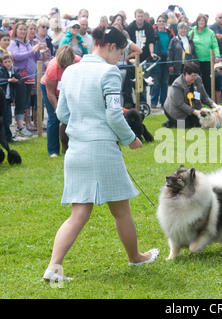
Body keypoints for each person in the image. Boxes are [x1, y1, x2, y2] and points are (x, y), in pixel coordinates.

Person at [44, 26, 159, 282]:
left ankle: (54, 267)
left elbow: (61, 114)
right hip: (102, 150)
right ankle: (136, 257)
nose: (120, 58)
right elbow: (114, 114)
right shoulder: (109, 72)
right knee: (121, 211)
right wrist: (132, 139)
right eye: (120, 52)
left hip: (76, 150)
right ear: (110, 46)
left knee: (78, 214)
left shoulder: (70, 70)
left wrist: (83, 120)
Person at [40, 45, 81, 157]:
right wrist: (58, 109)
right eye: (62, 66)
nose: (64, 68)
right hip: (51, 89)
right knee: (54, 119)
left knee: (72, 118)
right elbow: (51, 93)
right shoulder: (52, 68)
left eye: (67, 66)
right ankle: (53, 151)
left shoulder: (79, 62)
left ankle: (71, 147)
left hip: (69, 88)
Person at [8, 22, 45, 137]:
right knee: (20, 101)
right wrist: (32, 51)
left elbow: (36, 57)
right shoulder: (14, 43)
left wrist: (39, 51)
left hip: (31, 77)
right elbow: (16, 56)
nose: (23, 31)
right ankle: (20, 126)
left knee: (26, 102)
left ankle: (23, 125)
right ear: (16, 30)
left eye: (25, 29)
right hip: (21, 77)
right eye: (21, 29)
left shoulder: (29, 43)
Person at [163, 62, 219, 128]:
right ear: (186, 73)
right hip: (175, 111)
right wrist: (195, 112)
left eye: (196, 75)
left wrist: (214, 105)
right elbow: (180, 104)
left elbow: (204, 97)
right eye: (192, 76)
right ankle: (170, 122)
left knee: (199, 124)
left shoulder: (198, 80)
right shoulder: (177, 84)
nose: (195, 78)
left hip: (191, 109)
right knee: (185, 126)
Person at [0, 52, 21, 143]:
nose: (8, 63)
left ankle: (8, 137)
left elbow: (20, 83)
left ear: (12, 61)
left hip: (8, 99)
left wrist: (15, 81)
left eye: (9, 61)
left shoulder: (15, 71)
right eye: (5, 62)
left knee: (8, 119)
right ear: (2, 63)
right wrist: (7, 80)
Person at [126, 9, 156, 103]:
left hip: (145, 58)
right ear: (135, 17)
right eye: (138, 16)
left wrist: (151, 53)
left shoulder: (148, 27)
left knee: (143, 81)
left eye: (141, 16)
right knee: (134, 81)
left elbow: (151, 42)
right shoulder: (131, 27)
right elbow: (129, 43)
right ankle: (134, 102)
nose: (140, 18)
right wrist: (130, 55)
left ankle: (143, 102)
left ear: (144, 17)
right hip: (133, 59)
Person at [188, 13, 220, 96]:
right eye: (200, 20)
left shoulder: (210, 32)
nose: (201, 22)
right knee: (195, 80)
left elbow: (215, 45)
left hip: (207, 60)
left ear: (206, 22)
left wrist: (217, 56)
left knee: (207, 80)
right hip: (195, 61)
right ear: (197, 21)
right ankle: (196, 99)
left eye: (203, 20)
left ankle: (207, 99)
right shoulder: (192, 32)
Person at [150, 14, 173, 108]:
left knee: (165, 82)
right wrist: (152, 53)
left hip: (167, 59)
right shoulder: (154, 32)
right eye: (159, 21)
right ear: (157, 22)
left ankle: (164, 101)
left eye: (163, 21)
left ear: (166, 22)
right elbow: (151, 43)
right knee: (156, 82)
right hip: (157, 59)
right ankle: (153, 101)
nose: (161, 23)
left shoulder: (169, 33)